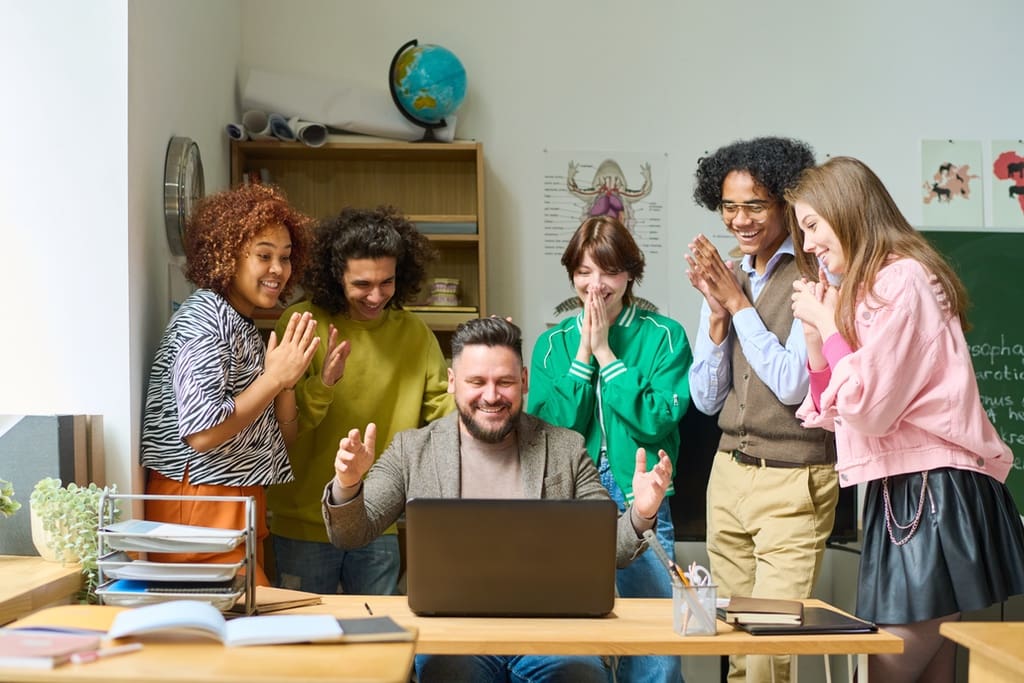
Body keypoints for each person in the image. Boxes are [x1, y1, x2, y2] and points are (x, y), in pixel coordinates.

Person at [323, 316, 673, 683]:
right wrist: (347, 485)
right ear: (452, 382)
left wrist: (642, 512)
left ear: (523, 381)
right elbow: (351, 534)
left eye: (504, 382)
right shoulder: (413, 450)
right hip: (453, 637)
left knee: (581, 676)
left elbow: (611, 551)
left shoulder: (565, 448)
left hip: (553, 636)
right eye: (477, 382)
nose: (491, 396)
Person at [787, 156, 1024, 682]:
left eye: (811, 226)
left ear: (846, 212)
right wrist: (818, 340)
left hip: (929, 494)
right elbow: (838, 409)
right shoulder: (879, 285)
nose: (807, 246)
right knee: (930, 670)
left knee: (884, 673)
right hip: (912, 490)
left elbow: (869, 411)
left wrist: (829, 325)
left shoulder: (902, 280)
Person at [685, 136, 839, 683]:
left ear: (785, 203)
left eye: (755, 205)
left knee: (772, 646)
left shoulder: (815, 271)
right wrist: (716, 319)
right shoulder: (729, 276)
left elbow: (796, 385)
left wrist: (738, 306)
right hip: (727, 474)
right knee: (732, 638)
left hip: (793, 477)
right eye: (729, 206)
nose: (740, 220)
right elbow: (705, 400)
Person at [528, 215, 691, 683]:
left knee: (656, 645)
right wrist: (582, 354)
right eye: (583, 272)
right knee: (574, 642)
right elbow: (551, 431)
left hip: (642, 498)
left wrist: (606, 355)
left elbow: (658, 416)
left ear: (629, 274)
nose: (595, 285)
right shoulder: (551, 343)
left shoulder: (665, 336)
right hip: (568, 501)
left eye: (608, 272)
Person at [267, 205, 454, 596]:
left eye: (386, 282)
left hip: (376, 519)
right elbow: (284, 428)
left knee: (380, 641)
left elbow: (443, 416)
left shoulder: (415, 335)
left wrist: (477, 384)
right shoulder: (302, 323)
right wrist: (324, 384)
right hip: (302, 524)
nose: (376, 295)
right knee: (302, 646)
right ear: (337, 276)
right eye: (362, 284)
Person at [141, 183, 319, 586]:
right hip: (199, 508)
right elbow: (203, 433)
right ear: (225, 254)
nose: (278, 269)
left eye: (286, 258)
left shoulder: (242, 323)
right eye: (264, 255)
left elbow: (278, 439)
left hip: (234, 503)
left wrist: (286, 382)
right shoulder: (205, 318)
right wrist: (274, 378)